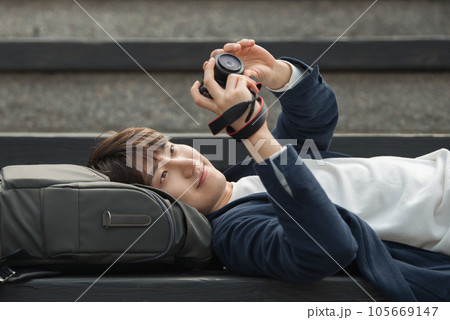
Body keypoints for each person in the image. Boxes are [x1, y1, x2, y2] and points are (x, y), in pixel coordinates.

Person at [88, 39, 450, 301]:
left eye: (169, 149)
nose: (187, 162)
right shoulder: (233, 236)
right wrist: (254, 133)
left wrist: (276, 73)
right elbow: (327, 249)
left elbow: (315, 118)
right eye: (164, 176)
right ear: (159, 209)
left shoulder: (248, 171)